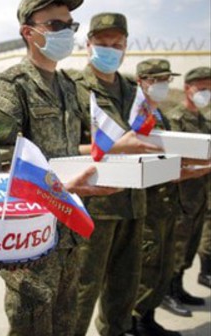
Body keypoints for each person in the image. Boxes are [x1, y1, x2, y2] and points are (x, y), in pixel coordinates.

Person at [0, 1, 125, 335]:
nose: (66, 33)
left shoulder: (68, 87)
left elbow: (70, 148)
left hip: (69, 234)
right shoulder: (11, 87)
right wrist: (61, 186)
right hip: (31, 241)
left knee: (66, 324)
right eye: (55, 25)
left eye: (70, 25)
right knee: (31, 326)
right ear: (28, 32)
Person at [67, 13, 162, 336]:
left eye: (116, 44)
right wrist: (115, 147)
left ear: (125, 47)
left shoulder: (134, 92)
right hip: (94, 208)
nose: (109, 49)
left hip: (134, 203)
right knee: (82, 291)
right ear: (88, 44)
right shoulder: (74, 89)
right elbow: (64, 147)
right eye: (102, 43)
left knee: (125, 288)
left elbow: (150, 137)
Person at [130, 58, 186, 336]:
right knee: (146, 264)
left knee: (161, 263)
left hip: (165, 198)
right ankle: (137, 321)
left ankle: (148, 318)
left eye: (167, 80)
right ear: (143, 81)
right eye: (158, 80)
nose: (163, 85)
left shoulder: (157, 113)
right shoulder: (136, 113)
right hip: (147, 201)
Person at [162, 66, 211, 315]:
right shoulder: (175, 118)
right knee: (177, 247)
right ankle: (167, 293)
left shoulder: (203, 121)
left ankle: (179, 288)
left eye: (209, 88)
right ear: (188, 88)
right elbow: (173, 161)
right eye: (201, 88)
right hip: (180, 197)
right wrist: (204, 165)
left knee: (190, 245)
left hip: (199, 195)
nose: (206, 93)